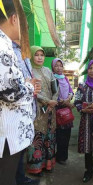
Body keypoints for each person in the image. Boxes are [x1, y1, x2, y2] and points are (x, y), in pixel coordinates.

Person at [0, 1, 40, 185]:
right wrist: (30, 86)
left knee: (7, 182)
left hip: (8, 132)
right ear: (14, 19)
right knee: (4, 183)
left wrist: (22, 82)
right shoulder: (2, 46)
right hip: (6, 133)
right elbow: (12, 93)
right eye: (23, 24)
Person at [27, 46, 58, 177]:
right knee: (37, 138)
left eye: (42, 55)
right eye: (36, 55)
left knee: (49, 138)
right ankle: (36, 167)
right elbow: (31, 91)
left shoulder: (48, 71)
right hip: (37, 111)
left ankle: (48, 164)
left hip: (50, 111)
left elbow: (55, 89)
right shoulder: (29, 73)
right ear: (31, 56)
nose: (40, 57)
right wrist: (47, 101)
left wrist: (53, 101)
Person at [13, 41, 40, 185]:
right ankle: (14, 183)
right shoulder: (7, 49)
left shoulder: (23, 52)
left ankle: (19, 178)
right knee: (14, 151)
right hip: (16, 110)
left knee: (22, 148)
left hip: (28, 109)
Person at [74, 60, 93, 183]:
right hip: (86, 120)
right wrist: (83, 109)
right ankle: (89, 171)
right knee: (88, 147)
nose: (92, 70)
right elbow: (77, 101)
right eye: (90, 68)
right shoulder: (83, 86)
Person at [51, 58, 74, 165]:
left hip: (67, 110)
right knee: (58, 135)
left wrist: (68, 98)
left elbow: (71, 91)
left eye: (61, 65)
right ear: (53, 67)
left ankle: (63, 157)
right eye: (56, 66)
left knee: (66, 134)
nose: (59, 68)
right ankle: (57, 156)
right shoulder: (52, 78)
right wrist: (60, 101)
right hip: (57, 110)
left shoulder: (65, 78)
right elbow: (51, 94)